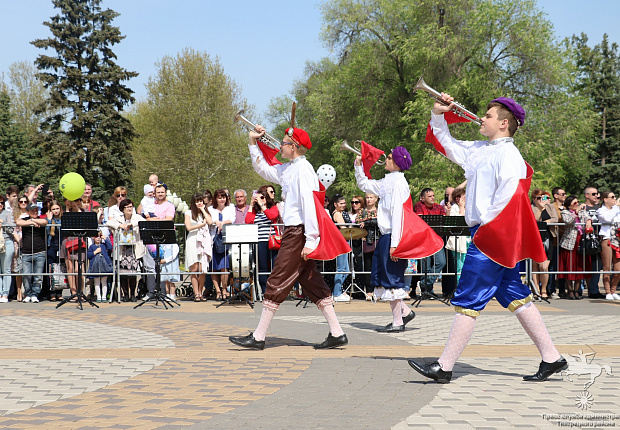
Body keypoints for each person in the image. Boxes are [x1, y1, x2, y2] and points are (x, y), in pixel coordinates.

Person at [409, 94, 567, 383]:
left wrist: (486, 232)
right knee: (515, 295)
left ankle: (444, 366)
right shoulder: (482, 149)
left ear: (504, 123)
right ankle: (552, 357)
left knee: (468, 297)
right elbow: (447, 145)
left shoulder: (509, 155)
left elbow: (508, 199)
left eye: (489, 115)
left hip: (491, 235)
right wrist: (438, 114)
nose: (482, 118)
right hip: (489, 233)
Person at [229, 122, 348, 350]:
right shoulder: (292, 167)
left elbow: (311, 207)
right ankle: (337, 332)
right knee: (312, 282)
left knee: (276, 280)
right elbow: (264, 170)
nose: (279, 147)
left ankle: (259, 336)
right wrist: (254, 142)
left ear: (293, 146)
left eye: (283, 143)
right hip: (296, 231)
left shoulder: (303, 170)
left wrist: (311, 240)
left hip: (298, 232)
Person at [354, 147, 417, 332]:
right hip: (386, 236)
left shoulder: (398, 184)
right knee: (382, 277)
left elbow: (398, 214)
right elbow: (365, 185)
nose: (385, 160)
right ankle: (404, 313)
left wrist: (395, 244)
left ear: (397, 162)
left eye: (389, 158)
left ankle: (398, 321)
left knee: (392, 279)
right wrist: (359, 166)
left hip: (392, 235)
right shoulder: (389, 181)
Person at [107, 199, 151, 302]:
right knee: (122, 273)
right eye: (127, 207)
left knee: (132, 273)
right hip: (123, 250)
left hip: (134, 249)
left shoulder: (137, 217)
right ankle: (125, 294)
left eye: (131, 206)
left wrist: (132, 224)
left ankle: (132, 294)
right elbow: (109, 222)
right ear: (123, 209)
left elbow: (143, 222)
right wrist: (120, 225)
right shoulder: (119, 218)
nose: (130, 209)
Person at [245, 185, 280, 295]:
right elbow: (248, 221)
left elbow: (272, 216)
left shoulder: (273, 207)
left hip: (272, 241)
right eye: (260, 198)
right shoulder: (256, 211)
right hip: (260, 241)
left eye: (263, 197)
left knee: (275, 266)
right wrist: (251, 205)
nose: (261, 200)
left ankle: (275, 290)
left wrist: (263, 205)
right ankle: (265, 290)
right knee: (263, 267)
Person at [558, 195, 592, 300]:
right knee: (569, 267)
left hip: (580, 242)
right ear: (569, 205)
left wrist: (587, 220)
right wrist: (575, 213)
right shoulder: (565, 212)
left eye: (577, 202)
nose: (577, 205)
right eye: (574, 203)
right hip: (569, 243)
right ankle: (570, 290)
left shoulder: (581, 212)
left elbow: (588, 217)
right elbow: (567, 221)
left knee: (579, 267)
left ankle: (577, 290)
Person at [413, 188, 447, 295]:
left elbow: (444, 220)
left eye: (433, 196)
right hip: (424, 239)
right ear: (423, 198)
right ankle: (427, 290)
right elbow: (420, 221)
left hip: (437, 239)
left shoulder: (439, 207)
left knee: (441, 262)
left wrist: (448, 211)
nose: (433, 198)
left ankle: (424, 283)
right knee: (425, 266)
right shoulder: (418, 206)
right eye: (429, 196)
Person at [17, 203, 48, 302]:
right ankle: (28, 294)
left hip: (40, 251)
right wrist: (31, 222)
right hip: (26, 252)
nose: (35, 212)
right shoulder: (24, 219)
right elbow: (18, 222)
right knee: (26, 275)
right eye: (32, 211)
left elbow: (45, 221)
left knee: (38, 276)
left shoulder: (39, 219)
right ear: (28, 212)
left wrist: (32, 220)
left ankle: (35, 294)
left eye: (36, 210)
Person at [530, 189, 558, 299]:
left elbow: (555, 218)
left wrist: (547, 222)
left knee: (544, 266)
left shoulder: (550, 207)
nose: (541, 200)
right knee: (535, 266)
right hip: (534, 237)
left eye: (543, 197)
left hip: (547, 237)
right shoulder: (532, 207)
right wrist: (540, 209)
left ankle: (544, 290)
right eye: (538, 198)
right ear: (534, 199)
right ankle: (536, 289)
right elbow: (533, 220)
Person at [184, 193, 212, 301]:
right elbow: (189, 227)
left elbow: (209, 222)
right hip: (193, 240)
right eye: (197, 201)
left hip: (204, 240)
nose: (199, 203)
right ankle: (196, 293)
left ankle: (200, 291)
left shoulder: (206, 212)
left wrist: (203, 210)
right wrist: (201, 224)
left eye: (201, 201)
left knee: (202, 268)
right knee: (194, 267)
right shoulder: (188, 212)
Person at [208, 189, 235, 300]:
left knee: (225, 267)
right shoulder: (210, 209)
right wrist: (215, 222)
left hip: (225, 239)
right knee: (214, 267)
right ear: (215, 199)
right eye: (219, 197)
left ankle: (224, 289)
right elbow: (209, 221)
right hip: (213, 240)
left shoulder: (230, 207)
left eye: (223, 197)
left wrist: (221, 223)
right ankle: (217, 290)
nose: (222, 199)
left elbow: (232, 219)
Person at [595, 191, 620, 300]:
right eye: (612, 197)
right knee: (607, 267)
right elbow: (608, 219)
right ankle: (608, 291)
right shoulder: (601, 210)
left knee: (618, 268)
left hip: (617, 240)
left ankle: (614, 290)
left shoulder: (617, 210)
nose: (614, 199)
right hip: (607, 239)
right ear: (605, 199)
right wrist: (616, 207)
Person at [356, 193, 380, 300]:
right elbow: (357, 223)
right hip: (366, 241)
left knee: (379, 266)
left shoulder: (380, 211)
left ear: (376, 199)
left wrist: (368, 223)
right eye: (367, 198)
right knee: (367, 266)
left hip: (378, 239)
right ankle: (369, 290)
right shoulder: (362, 211)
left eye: (371, 197)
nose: (369, 200)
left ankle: (378, 289)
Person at [59, 199, 85, 297]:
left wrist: (77, 208)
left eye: (77, 201)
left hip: (80, 242)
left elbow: (84, 220)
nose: (74, 203)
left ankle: (80, 291)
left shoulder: (83, 212)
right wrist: (68, 208)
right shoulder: (65, 213)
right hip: (68, 241)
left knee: (79, 269)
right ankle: (73, 292)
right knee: (70, 269)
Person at [330, 195, 352, 302]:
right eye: (341, 203)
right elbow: (344, 228)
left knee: (346, 270)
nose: (344, 205)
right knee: (341, 268)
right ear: (335, 204)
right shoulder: (337, 214)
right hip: (340, 242)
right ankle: (337, 293)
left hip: (344, 241)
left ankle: (337, 291)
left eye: (344, 203)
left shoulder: (341, 213)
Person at [584, 187, 604, 299]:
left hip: (598, 241)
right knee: (583, 265)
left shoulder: (599, 208)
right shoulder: (583, 207)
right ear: (586, 195)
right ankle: (578, 290)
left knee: (597, 266)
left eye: (597, 194)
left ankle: (594, 290)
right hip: (585, 241)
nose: (596, 196)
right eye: (593, 194)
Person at [86, 231, 113, 303]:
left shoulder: (104, 245)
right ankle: (98, 296)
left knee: (104, 281)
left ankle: (104, 296)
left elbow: (110, 247)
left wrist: (105, 239)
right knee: (97, 282)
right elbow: (89, 255)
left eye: (99, 236)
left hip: (104, 265)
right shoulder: (92, 246)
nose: (98, 238)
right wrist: (95, 252)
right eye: (96, 236)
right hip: (95, 265)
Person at [46, 200, 64, 301]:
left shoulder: (63, 219)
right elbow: (47, 232)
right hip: (51, 246)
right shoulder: (49, 219)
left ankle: (59, 292)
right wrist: (49, 220)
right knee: (51, 269)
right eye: (53, 209)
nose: (56, 211)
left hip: (61, 246)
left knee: (61, 269)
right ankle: (52, 293)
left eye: (57, 208)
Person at [0, 195, 16, 303]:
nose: (0, 205)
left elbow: (12, 228)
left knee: (6, 270)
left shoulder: (7, 214)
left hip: (6, 243)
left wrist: (2, 223)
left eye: (2, 203)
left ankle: (5, 294)